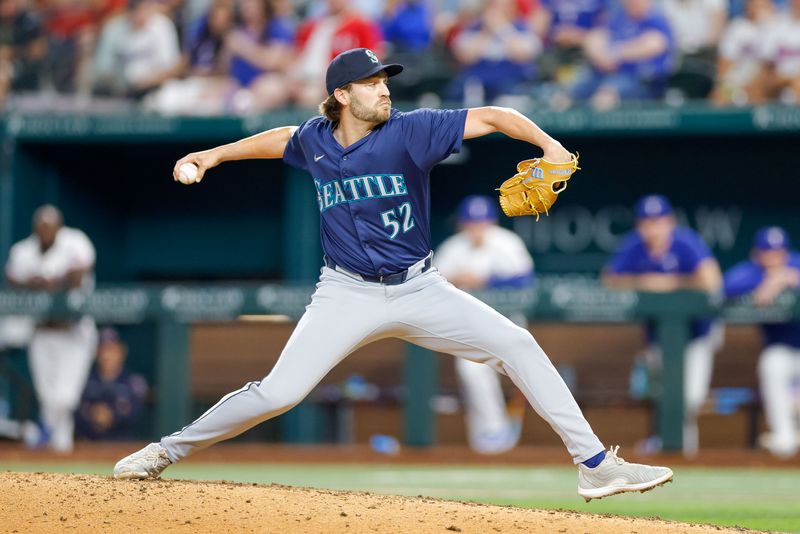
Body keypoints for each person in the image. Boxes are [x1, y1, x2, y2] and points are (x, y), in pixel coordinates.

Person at [113, 47, 673, 501]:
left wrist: (549, 145)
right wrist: (210, 155)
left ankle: (596, 466)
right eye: (371, 82)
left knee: (517, 343)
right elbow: (278, 138)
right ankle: (165, 450)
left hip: (420, 287)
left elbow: (496, 116)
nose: (384, 88)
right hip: (345, 292)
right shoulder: (315, 139)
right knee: (278, 393)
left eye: (385, 80)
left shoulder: (412, 130)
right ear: (341, 94)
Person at [602, 194, 723, 456]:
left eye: (658, 221)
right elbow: (610, 280)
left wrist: (672, 284)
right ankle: (679, 453)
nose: (652, 228)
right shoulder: (635, 246)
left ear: (669, 222)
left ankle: (673, 448)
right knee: (667, 397)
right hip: (659, 337)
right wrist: (646, 281)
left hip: (698, 333)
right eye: (647, 222)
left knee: (689, 397)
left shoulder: (686, 242)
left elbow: (713, 281)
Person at [434, 195, 532, 454]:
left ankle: (499, 432)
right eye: (471, 223)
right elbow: (429, 285)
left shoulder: (507, 243)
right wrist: (455, 278)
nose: (476, 228)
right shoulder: (453, 248)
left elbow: (526, 280)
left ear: (491, 222)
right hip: (469, 326)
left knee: (526, 369)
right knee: (472, 370)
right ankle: (491, 432)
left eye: (481, 222)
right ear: (462, 224)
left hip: (507, 321)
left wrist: (486, 280)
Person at [4, 205, 98, 453]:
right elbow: (11, 277)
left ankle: (43, 433)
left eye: (50, 228)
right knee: (48, 398)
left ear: (59, 227)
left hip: (73, 331)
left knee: (65, 398)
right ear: (36, 228)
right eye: (41, 228)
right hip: (41, 330)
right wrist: (36, 282)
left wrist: (51, 282)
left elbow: (80, 273)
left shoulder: (74, 241)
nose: (45, 233)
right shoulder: (24, 250)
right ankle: (60, 453)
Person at [724, 227, 800, 458]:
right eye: (768, 252)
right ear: (757, 254)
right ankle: (785, 438)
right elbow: (726, 286)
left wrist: (787, 277)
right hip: (784, 351)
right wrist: (767, 281)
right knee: (771, 363)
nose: (774, 257)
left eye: (779, 252)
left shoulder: (795, 263)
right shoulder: (753, 272)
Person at [570, 0, 674, 109]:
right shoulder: (619, 19)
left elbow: (654, 44)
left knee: (605, 95)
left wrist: (615, 54)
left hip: (643, 81)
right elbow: (596, 36)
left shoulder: (655, 20)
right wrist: (599, 55)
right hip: (606, 75)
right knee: (569, 93)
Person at [75, 327, 148, 441]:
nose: (106, 356)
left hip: (121, 445)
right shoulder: (83, 380)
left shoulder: (133, 381)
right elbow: (75, 412)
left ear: (121, 351)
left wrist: (112, 415)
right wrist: (93, 414)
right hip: (88, 444)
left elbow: (135, 414)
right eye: (103, 350)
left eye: (111, 350)